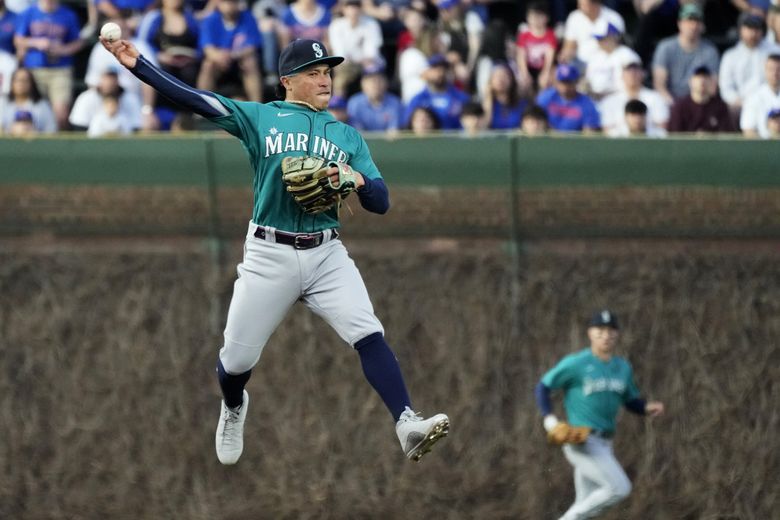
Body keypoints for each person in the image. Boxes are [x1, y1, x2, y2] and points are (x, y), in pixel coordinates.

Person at [99, 35, 450, 464]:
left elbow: (381, 201)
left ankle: (406, 422)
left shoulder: (347, 137)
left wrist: (356, 180)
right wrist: (138, 64)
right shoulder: (260, 118)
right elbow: (195, 99)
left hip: (326, 253)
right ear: (287, 81)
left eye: (328, 73)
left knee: (368, 332)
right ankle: (233, 405)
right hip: (269, 253)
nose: (325, 81)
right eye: (314, 73)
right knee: (234, 363)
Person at [535, 309, 665, 520]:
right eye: (600, 330)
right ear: (590, 333)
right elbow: (543, 387)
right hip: (581, 440)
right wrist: (549, 420)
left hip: (605, 443)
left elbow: (629, 399)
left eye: (611, 330)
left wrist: (645, 408)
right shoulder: (576, 363)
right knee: (619, 488)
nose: (606, 335)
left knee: (584, 504)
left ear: (617, 335)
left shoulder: (622, 367)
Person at [13, 0, 85, 130]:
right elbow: (18, 40)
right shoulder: (29, 13)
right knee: (30, 113)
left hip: (60, 69)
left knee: (61, 114)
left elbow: (78, 42)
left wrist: (62, 49)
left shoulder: (68, 15)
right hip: (34, 69)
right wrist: (36, 43)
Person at [651, 3, 720, 104]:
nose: (693, 25)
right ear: (679, 23)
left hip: (700, 102)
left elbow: (712, 88)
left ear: (702, 25)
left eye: (697, 21)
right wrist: (675, 106)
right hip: (671, 103)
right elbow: (659, 85)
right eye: (689, 20)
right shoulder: (665, 47)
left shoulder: (710, 51)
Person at [197, 0, 263, 102]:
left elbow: (252, 46)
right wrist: (220, 57)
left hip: (239, 62)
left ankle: (257, 105)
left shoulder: (248, 17)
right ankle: (202, 106)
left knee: (250, 62)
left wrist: (232, 55)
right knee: (208, 64)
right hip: (218, 64)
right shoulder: (211, 19)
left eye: (233, 2)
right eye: (226, 2)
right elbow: (208, 49)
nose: (229, 6)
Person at [719, 13, 778, 118]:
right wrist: (741, 102)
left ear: (762, 31)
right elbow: (726, 88)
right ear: (741, 30)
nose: (753, 33)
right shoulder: (731, 55)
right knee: (730, 110)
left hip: (773, 102)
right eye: (749, 28)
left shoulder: (775, 51)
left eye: (756, 29)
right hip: (741, 105)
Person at [598, 54, 670, 136]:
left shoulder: (656, 98)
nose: (632, 74)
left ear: (642, 73)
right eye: (628, 70)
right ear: (622, 74)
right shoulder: (609, 101)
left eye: (636, 69)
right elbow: (607, 130)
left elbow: (662, 126)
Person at [327, 0, 383, 98]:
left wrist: (363, 60)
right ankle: (338, 105)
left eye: (356, 6)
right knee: (340, 78)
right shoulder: (336, 25)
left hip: (368, 63)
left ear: (361, 9)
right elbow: (340, 53)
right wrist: (356, 59)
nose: (353, 10)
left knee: (372, 73)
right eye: (349, 6)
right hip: (346, 65)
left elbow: (371, 53)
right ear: (344, 9)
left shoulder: (371, 24)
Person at [403, 53, 470, 130]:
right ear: (427, 71)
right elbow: (408, 126)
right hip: (426, 141)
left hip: (453, 141)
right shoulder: (417, 100)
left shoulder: (461, 98)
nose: (440, 72)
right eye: (435, 67)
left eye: (444, 68)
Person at [69, 67, 142, 131]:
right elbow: (79, 126)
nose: (109, 82)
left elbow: (136, 127)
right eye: (106, 78)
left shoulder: (130, 98)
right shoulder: (86, 98)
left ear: (118, 80)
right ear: (100, 79)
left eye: (113, 78)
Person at [584, 20, 641, 101]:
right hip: (595, 98)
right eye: (598, 39)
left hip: (620, 99)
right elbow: (588, 80)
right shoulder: (595, 56)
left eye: (602, 39)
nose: (599, 42)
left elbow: (631, 85)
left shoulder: (628, 55)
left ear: (613, 37)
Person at [536, 63, 601, 133]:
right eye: (562, 82)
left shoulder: (586, 103)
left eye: (568, 82)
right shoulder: (547, 97)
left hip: (574, 141)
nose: (565, 86)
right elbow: (535, 119)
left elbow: (589, 131)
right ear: (556, 82)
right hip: (548, 139)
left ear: (576, 83)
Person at [668, 65, 735, 133]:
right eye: (698, 77)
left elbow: (727, 135)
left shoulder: (720, 107)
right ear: (690, 81)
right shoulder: (679, 107)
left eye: (706, 77)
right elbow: (674, 136)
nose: (702, 80)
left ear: (711, 81)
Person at [559, 0, 625, 67]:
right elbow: (569, 46)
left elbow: (618, 48)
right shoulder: (574, 17)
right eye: (579, 4)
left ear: (596, 4)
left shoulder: (613, 18)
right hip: (581, 66)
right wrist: (566, 55)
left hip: (608, 65)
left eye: (584, 5)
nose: (579, 7)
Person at [346, 60, 403, 132]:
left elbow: (393, 133)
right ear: (363, 84)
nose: (375, 84)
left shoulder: (395, 103)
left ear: (386, 83)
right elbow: (357, 133)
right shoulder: (355, 103)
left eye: (379, 80)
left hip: (388, 143)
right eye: (371, 81)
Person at [515, 1, 557, 95]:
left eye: (540, 16)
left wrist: (545, 72)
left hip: (544, 67)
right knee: (523, 82)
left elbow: (550, 56)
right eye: (533, 16)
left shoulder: (550, 35)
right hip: (527, 67)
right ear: (528, 18)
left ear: (547, 18)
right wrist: (524, 73)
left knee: (546, 81)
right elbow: (521, 55)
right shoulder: (524, 35)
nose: (536, 20)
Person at [0, 67, 56, 133]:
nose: (21, 84)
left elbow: (52, 131)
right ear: (12, 83)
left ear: (31, 83)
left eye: (25, 80)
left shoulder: (42, 105)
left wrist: (33, 132)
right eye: (17, 80)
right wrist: (12, 131)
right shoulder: (2, 103)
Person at [740, 53, 780, 138]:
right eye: (771, 69)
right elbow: (748, 130)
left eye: (778, 69)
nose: (775, 73)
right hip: (763, 147)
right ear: (765, 70)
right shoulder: (754, 97)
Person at [481, 62, 527, 130]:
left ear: (512, 79)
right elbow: (484, 127)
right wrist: (488, 98)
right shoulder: (485, 104)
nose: (500, 80)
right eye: (496, 76)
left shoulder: (522, 104)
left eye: (504, 76)